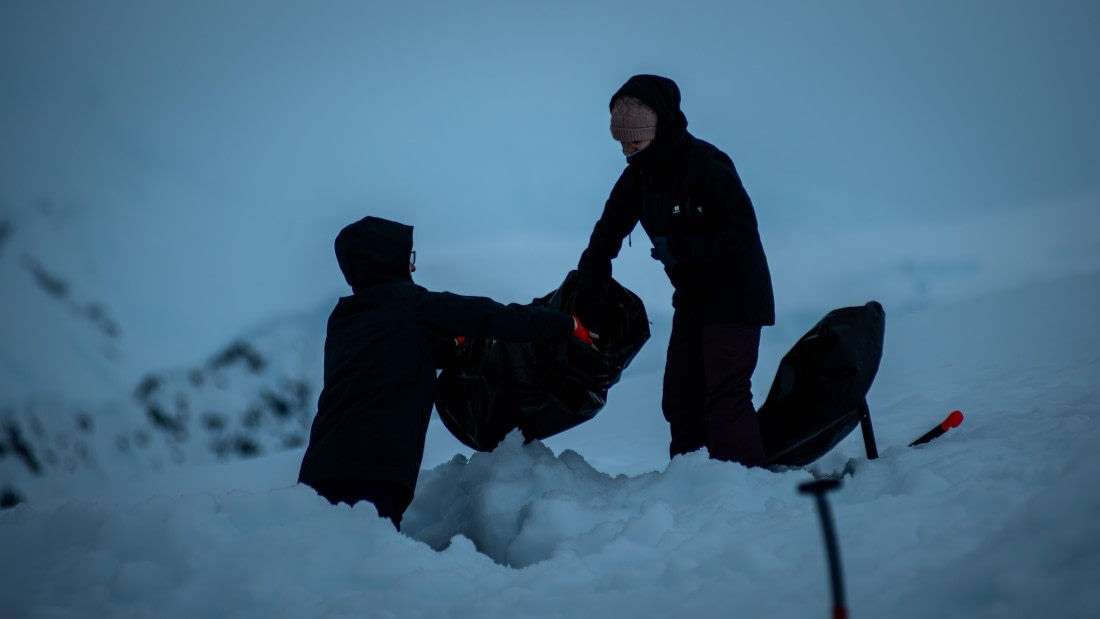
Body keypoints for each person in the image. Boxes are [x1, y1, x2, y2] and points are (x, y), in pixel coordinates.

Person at [298, 215, 596, 530]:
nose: (412, 267)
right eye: (407, 259)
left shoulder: (345, 318)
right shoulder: (415, 306)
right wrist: (567, 325)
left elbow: (394, 357)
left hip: (320, 469)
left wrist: (450, 343)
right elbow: (492, 316)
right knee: (363, 562)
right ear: (390, 262)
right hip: (375, 471)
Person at [572, 74, 775, 467]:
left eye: (636, 142)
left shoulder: (706, 164)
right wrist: (588, 305)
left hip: (736, 295)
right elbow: (604, 237)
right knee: (680, 396)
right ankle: (691, 487)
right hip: (693, 299)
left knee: (725, 394)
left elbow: (743, 228)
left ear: (660, 130)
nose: (629, 152)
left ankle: (745, 491)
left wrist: (681, 249)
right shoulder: (639, 177)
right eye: (623, 144)